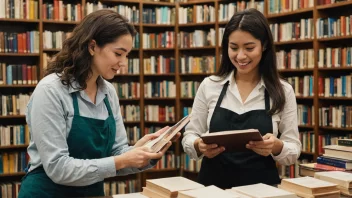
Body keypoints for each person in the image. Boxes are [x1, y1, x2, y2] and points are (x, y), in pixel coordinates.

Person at [19, 9, 180, 197]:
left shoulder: (108, 92)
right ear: (92, 46)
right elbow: (58, 168)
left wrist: (143, 151)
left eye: (127, 55)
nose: (123, 63)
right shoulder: (50, 91)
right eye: (118, 53)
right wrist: (122, 160)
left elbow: (117, 154)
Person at [182, 8, 301, 189]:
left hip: (262, 190)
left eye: (249, 48)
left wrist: (276, 147)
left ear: (265, 46)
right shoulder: (209, 85)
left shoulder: (283, 91)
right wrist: (198, 145)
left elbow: (293, 149)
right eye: (234, 48)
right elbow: (189, 136)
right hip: (212, 190)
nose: (240, 56)